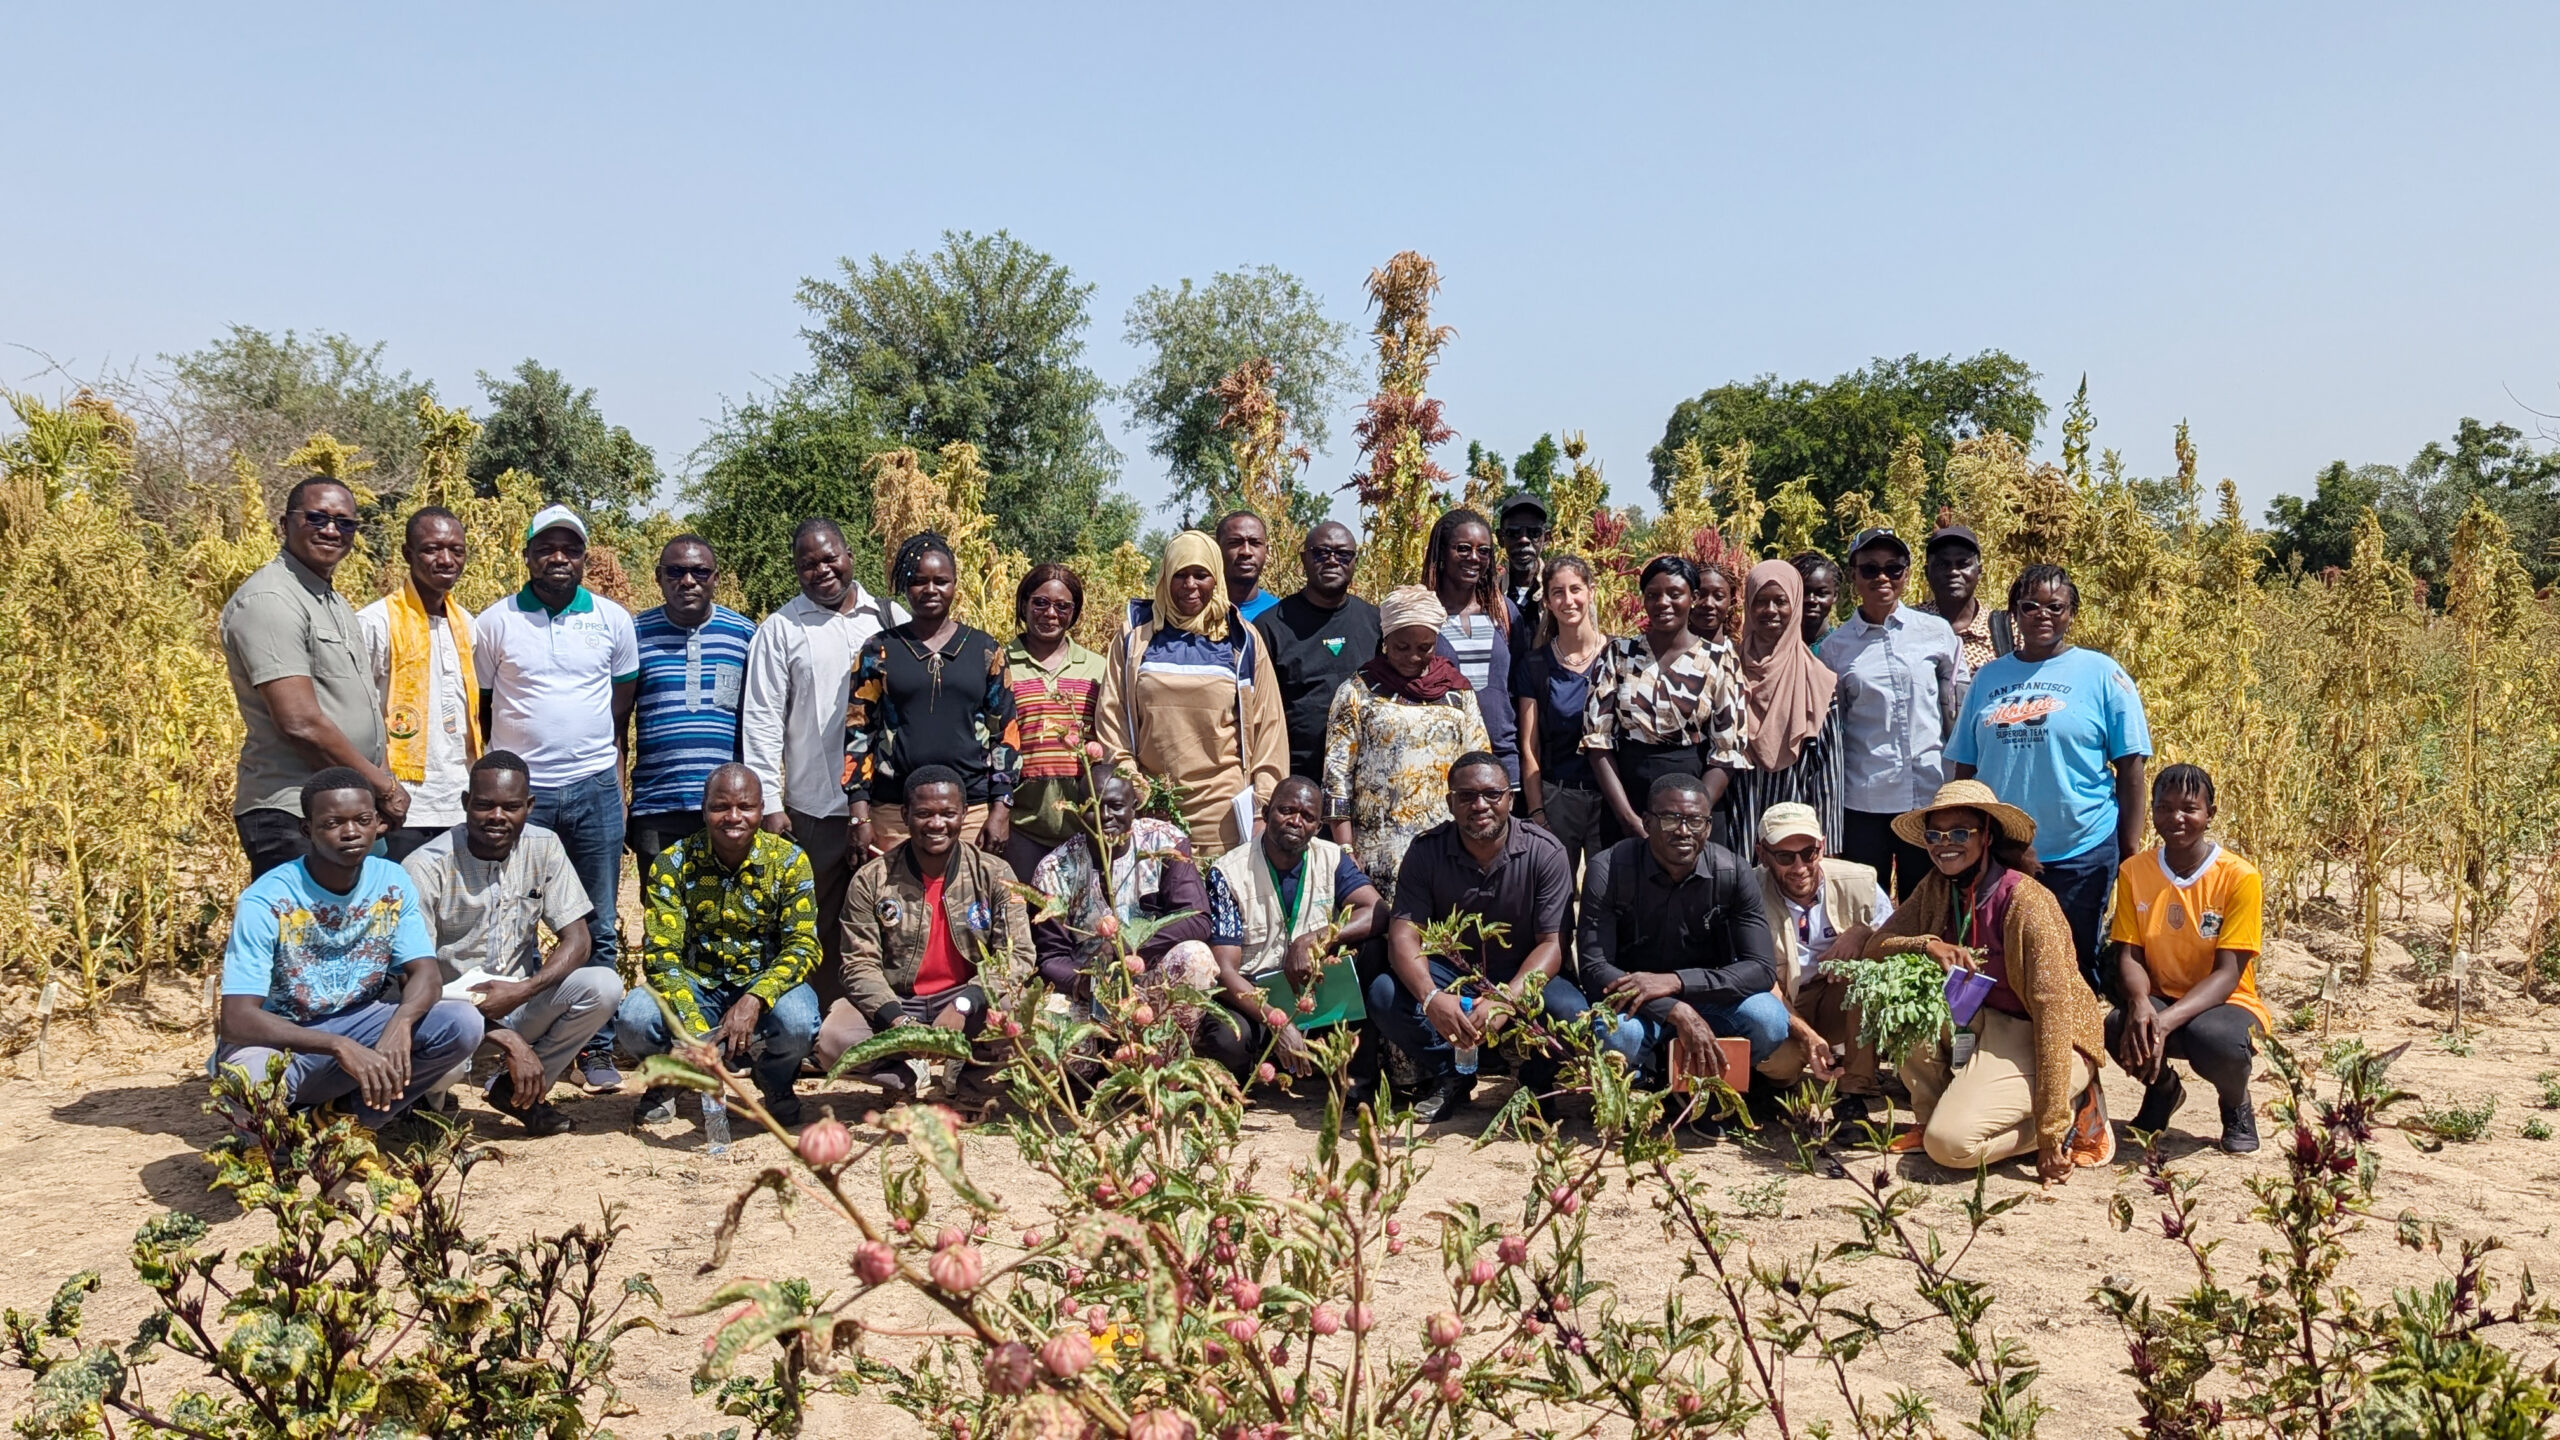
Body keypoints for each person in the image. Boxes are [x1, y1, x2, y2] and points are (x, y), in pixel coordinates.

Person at [1862, 779, 2110, 1182]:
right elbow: (1878, 945)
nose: (1945, 844)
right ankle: (1933, 1117)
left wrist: (2047, 1136)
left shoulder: (2026, 903)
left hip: (2044, 1039)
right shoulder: (1938, 887)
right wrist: (1929, 945)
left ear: (1987, 836)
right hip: (1982, 1023)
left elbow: (2052, 1019)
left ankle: (2071, 1114)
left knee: (1951, 1147)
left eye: (1960, 833)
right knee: (1900, 1000)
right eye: (1934, 835)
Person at [472, 504, 638, 1091]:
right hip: (521, 799)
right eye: (547, 547)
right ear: (528, 555)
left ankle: (593, 1047)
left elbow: (620, 710)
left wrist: (612, 781)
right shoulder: (494, 623)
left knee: (598, 921)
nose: (559, 558)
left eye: (570, 548)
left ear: (585, 557)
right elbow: (485, 708)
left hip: (594, 787)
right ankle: (504, 1039)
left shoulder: (614, 621)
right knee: (508, 916)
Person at [210, 768, 484, 1125]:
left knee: (461, 1023)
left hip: (359, 1022)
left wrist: (401, 1023)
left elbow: (426, 974)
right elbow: (237, 1019)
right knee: (248, 1081)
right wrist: (338, 1046)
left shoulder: (391, 881)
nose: (351, 831)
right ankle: (273, 1142)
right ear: (307, 830)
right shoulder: (267, 899)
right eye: (333, 823)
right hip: (284, 1042)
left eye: (363, 819)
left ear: (378, 824)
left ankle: (347, 1122)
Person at [1947, 563, 2150, 995]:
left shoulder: (2102, 674)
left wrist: (2128, 850)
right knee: (2003, 962)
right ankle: (2010, 1054)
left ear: (2071, 612)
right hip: (2002, 851)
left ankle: (2078, 1058)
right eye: (2030, 606)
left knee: (2074, 966)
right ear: (2014, 614)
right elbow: (1965, 767)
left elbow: (2131, 768)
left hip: (2082, 850)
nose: (2043, 614)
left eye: (2055, 606)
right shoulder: (1989, 678)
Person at [740, 517, 908, 1035]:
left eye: (829, 557)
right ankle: (805, 1033)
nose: (821, 570)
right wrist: (770, 804)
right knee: (809, 926)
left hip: (883, 804)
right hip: (812, 807)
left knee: (885, 923)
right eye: (808, 563)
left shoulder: (889, 617)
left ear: (850, 554)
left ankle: (881, 1031)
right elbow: (762, 718)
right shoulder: (781, 629)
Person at [401, 751, 619, 1136]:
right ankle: (424, 1105)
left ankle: (518, 1094)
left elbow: (579, 939)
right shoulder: (426, 866)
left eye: (511, 806)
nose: (497, 816)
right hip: (447, 1009)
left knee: (603, 986)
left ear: (529, 806)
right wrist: (509, 1040)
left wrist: (525, 990)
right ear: (466, 803)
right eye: (484, 805)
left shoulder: (544, 846)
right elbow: (416, 979)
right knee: (453, 1034)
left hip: (518, 997)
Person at [1368, 753, 1587, 1123]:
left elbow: (1552, 945)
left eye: (1492, 794)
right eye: (1467, 796)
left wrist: (1505, 1000)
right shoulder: (1426, 851)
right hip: (1453, 976)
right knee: (1384, 995)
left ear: (1510, 799)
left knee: (1573, 1014)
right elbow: (1403, 935)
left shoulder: (1545, 851)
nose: (1480, 805)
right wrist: (1432, 997)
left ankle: (1534, 1086)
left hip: (1524, 977)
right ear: (1450, 802)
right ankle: (1453, 1075)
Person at [620, 765, 822, 1128]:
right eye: (720, 806)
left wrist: (754, 999)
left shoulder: (790, 862)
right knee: (634, 1018)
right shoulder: (674, 863)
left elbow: (803, 945)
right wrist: (695, 1030)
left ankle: (774, 1081)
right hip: (696, 985)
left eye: (745, 806)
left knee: (798, 1021)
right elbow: (661, 955)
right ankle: (672, 1079)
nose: (733, 817)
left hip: (762, 984)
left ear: (762, 809)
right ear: (704, 809)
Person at [220, 475, 400, 878]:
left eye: (345, 522)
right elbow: (300, 722)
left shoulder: (329, 599)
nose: (332, 530)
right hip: (295, 814)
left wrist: (376, 787)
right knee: (305, 939)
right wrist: (384, 788)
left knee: (361, 937)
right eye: (317, 518)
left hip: (348, 807)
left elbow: (362, 706)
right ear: (284, 525)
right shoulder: (270, 600)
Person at [1578, 774, 1788, 1107]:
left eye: (1695, 820)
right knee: (1617, 1035)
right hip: (1636, 1003)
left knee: (1770, 1020)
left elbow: (1761, 969)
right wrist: (1675, 1010)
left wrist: (1677, 983)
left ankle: (1705, 1086)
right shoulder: (1609, 869)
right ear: (1647, 822)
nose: (1683, 830)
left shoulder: (1732, 871)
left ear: (1708, 826)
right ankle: (1647, 1080)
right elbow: (1594, 969)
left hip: (1708, 996)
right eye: (1670, 818)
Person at [820, 765, 1035, 1081]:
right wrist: (898, 1022)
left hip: (969, 1000)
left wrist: (964, 1004)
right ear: (906, 815)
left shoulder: (996, 874)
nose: (937, 824)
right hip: (899, 1002)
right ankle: (904, 1069)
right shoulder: (871, 879)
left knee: (1025, 1022)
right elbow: (858, 966)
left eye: (948, 813)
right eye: (924, 814)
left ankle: (968, 1072)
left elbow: (1017, 956)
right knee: (834, 1041)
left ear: (963, 813)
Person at [1095, 531, 1285, 861]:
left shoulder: (1241, 640)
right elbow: (1113, 719)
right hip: (1152, 811)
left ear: (1217, 577)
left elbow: (1269, 729)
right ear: (1165, 577)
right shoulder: (1135, 636)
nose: (1190, 585)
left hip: (1224, 817)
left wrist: (1261, 809)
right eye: (1180, 575)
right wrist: (1135, 791)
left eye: (1201, 575)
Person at [2105, 764, 2265, 1153]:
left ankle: (2235, 1104)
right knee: (2117, 1026)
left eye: (2190, 808)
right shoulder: (2134, 871)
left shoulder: (2240, 877)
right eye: (2164, 807)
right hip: (2161, 994)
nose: (2176, 818)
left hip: (2226, 1004)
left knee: (2214, 1039)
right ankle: (2163, 1091)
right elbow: (2129, 953)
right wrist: (2142, 1004)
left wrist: (2162, 1022)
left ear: (2210, 813)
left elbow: (2228, 975)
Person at [1202, 776, 1387, 1090]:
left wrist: (1315, 938)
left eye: (1307, 816)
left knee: (1374, 950)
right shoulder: (1227, 872)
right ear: (1265, 812)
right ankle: (1250, 1076)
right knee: (1228, 1038)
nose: (1295, 821)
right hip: (1256, 996)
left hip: (1313, 991)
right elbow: (1225, 971)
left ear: (1317, 827)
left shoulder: (1331, 858)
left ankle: (1357, 1077)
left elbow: (1379, 911)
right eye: (1286, 810)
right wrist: (1276, 1021)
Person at [845, 532, 1021, 859]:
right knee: (897, 907)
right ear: (904, 585)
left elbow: (1005, 732)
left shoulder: (985, 650)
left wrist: (1001, 808)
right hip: (896, 812)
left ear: (955, 584)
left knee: (967, 908)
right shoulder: (878, 650)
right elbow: (858, 732)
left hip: (971, 812)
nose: (930, 590)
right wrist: (859, 812)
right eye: (919, 581)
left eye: (941, 581)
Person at [1323, 587, 1492, 903]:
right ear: (1385, 640)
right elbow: (1336, 779)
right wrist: (1345, 850)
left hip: (1446, 848)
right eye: (1401, 647)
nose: (1413, 656)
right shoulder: (1358, 693)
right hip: (1375, 852)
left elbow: (1478, 765)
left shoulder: (1458, 693)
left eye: (1424, 647)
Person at [1818, 528, 1961, 900]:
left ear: (1907, 574)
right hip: (1865, 800)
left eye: (1893, 569)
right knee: (1866, 906)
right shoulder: (1835, 649)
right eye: (1870, 569)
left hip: (1929, 796)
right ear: (1854, 577)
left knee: (1929, 903)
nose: (1882, 577)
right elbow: (1833, 729)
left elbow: (1956, 709)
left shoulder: (1936, 633)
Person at [1584, 555, 1751, 844]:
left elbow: (1728, 751)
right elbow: (1597, 741)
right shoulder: (1619, 654)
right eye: (1653, 595)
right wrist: (1627, 817)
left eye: (1675, 594)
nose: (1663, 603)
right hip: (1630, 797)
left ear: (1694, 597)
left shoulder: (1719, 660)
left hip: (1697, 793)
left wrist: (1691, 816)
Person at [1748, 803, 1892, 1119]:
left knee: (1866, 977)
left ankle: (1854, 1091)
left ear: (1822, 847)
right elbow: (1755, 977)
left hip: (1835, 1000)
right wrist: (1806, 1034)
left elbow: (1895, 937)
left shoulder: (1860, 881)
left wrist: (1864, 933)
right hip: (1783, 1002)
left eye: (1809, 853)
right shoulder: (1748, 892)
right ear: (1762, 854)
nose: (1799, 866)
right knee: (1781, 1065)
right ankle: (1777, 1082)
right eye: (1785, 856)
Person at [626, 535, 755, 879]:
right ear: (658, 577)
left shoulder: (744, 636)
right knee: (662, 919)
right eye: (675, 572)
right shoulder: (634, 634)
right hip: (658, 804)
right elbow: (616, 722)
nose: (687, 581)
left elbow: (759, 723)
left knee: (730, 916)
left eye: (699, 572)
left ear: (715, 578)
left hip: (730, 810)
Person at [358, 506, 479, 862]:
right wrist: (382, 788)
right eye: (431, 549)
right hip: (399, 806)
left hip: (458, 801)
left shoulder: (467, 625)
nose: (446, 559)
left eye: (456, 550)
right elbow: (353, 715)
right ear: (407, 555)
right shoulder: (375, 623)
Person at [1029, 771, 1216, 998]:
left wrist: (1120, 948)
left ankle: (1175, 1035)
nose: (1105, 816)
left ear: (1134, 807)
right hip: (1088, 984)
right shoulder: (1055, 869)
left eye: (1116, 806)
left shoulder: (1163, 842)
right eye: (1092, 808)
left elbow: (1195, 918)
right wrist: (1086, 980)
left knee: (1196, 957)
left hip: (1153, 974)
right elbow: (1050, 957)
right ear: (1078, 811)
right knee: (1040, 1017)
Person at [1723, 560, 1844, 854]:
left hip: (1796, 829)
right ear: (1748, 606)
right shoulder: (1727, 671)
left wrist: (1827, 847)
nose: (1771, 610)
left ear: (1796, 605)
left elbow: (1829, 772)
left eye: (1781, 601)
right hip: (1737, 821)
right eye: (1761, 601)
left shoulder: (1817, 679)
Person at [1255, 522, 1383, 783]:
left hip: (1366, 773)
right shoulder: (1270, 626)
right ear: (1304, 559)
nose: (1332, 560)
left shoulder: (1376, 622)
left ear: (1354, 561)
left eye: (1342, 554)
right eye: (1321, 553)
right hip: (1297, 776)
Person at [1003, 564, 1106, 880]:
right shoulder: (1000, 662)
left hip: (1082, 826)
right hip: (1020, 824)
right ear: (1024, 604)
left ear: (1074, 613)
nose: (1050, 613)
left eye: (1062, 606)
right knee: (1021, 917)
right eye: (1040, 603)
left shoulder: (1096, 667)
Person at [1514, 556, 1611, 875]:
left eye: (1575, 589)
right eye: (1558, 592)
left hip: (1611, 799)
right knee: (1556, 899)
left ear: (1591, 592)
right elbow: (1530, 747)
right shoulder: (1536, 665)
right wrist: (1537, 811)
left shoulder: (1617, 657)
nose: (1568, 600)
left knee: (1610, 896)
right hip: (1559, 797)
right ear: (1548, 601)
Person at [1420, 510, 1522, 786]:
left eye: (1483, 551)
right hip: (1440, 759)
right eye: (1463, 548)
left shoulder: (1504, 614)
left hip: (1502, 758)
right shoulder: (1422, 613)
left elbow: (1519, 691)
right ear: (1442, 551)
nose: (1474, 558)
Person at [1917, 525, 2012, 695]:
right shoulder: (1909, 625)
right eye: (1942, 564)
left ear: (1979, 572)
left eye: (1963, 564)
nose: (1953, 572)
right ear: (1927, 572)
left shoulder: (2006, 629)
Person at [1496, 491, 1549, 628]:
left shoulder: (1558, 593)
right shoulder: (1490, 594)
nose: (1524, 540)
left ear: (1546, 539)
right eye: (1513, 532)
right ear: (1501, 538)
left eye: (1534, 533)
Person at [1217, 510, 1280, 623]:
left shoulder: (1282, 615)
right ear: (1216, 549)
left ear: (1267, 550)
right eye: (1235, 542)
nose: (1246, 552)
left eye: (1255, 543)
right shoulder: (1200, 612)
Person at [1790, 552, 1842, 649]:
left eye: (1821, 593)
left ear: (1835, 596)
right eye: (1803, 592)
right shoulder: (1779, 647)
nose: (1811, 600)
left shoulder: (1842, 648)